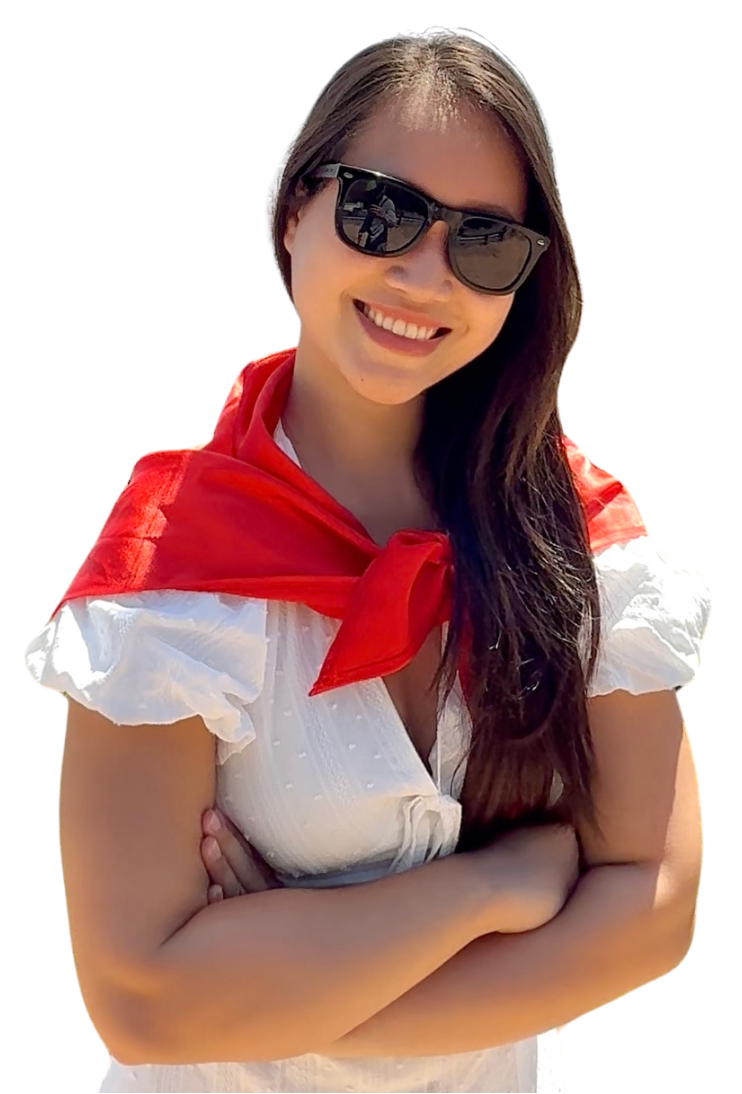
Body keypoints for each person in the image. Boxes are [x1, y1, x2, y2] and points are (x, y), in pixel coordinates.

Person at [23, 26, 712, 1094]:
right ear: (294, 209)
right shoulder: (164, 577)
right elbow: (143, 1002)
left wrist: (278, 983)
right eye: (380, 212)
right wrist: (494, 887)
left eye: (484, 243)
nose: (423, 276)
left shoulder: (581, 545)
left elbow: (654, 906)